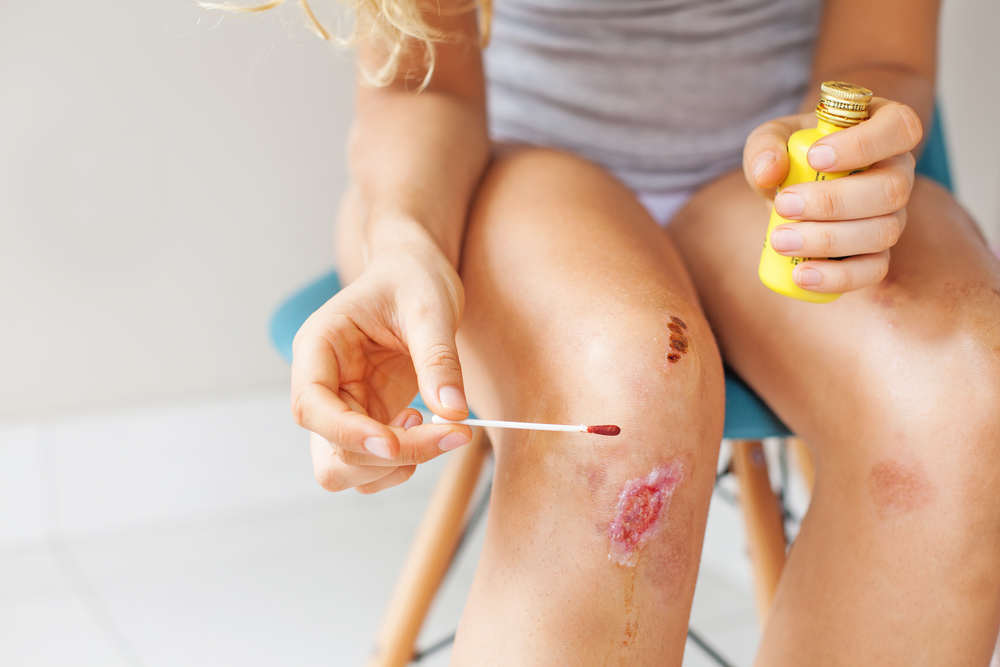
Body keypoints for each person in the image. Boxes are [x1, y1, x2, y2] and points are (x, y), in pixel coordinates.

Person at [276, 0, 1000, 663]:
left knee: (961, 402)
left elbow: (882, 50)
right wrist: (406, 239)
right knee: (621, 394)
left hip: (777, 177)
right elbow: (422, 80)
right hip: (498, 171)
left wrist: (850, 147)